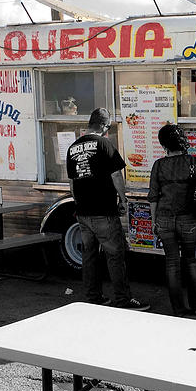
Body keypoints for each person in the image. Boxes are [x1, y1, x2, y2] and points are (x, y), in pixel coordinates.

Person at [66, 108, 150, 311]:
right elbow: (116, 176)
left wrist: (80, 203)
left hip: (83, 213)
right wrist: (123, 198)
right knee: (115, 256)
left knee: (89, 256)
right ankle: (123, 299)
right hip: (103, 211)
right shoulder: (104, 144)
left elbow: (72, 183)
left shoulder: (73, 147)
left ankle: (93, 297)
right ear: (104, 126)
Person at [147, 124, 196, 316]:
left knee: (172, 263)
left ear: (163, 144)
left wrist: (153, 222)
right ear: (182, 141)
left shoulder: (159, 165)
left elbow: (153, 197)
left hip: (165, 219)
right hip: (188, 220)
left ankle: (177, 308)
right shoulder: (192, 161)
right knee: (191, 261)